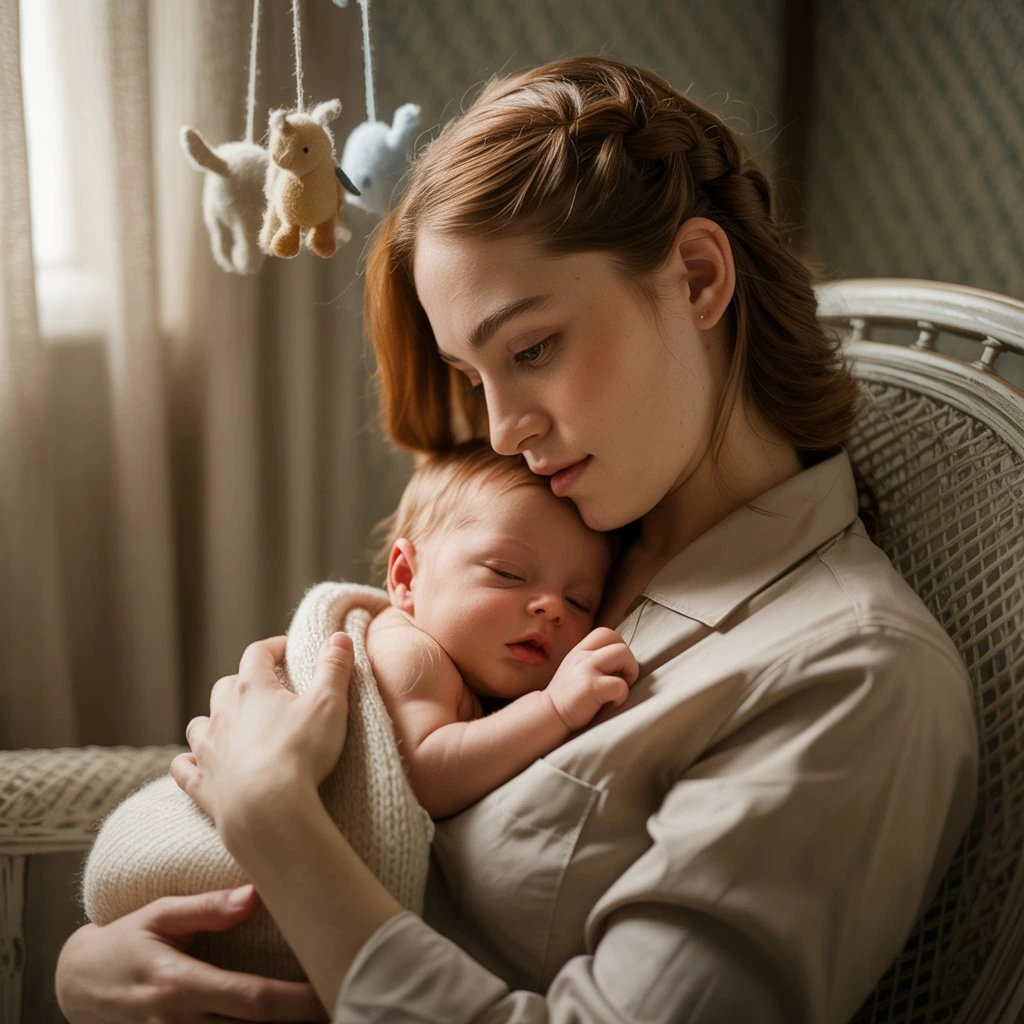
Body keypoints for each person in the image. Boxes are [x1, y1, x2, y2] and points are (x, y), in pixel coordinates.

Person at [56, 55, 979, 1023]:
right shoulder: (565, 539)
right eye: (471, 374)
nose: (502, 431)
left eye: (531, 348)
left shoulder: (850, 674)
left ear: (698, 277)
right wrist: (98, 962)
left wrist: (275, 823)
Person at [366, 439, 638, 819]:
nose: (553, 607)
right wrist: (553, 708)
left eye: (580, 602)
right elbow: (424, 778)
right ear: (407, 578)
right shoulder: (409, 653)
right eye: (507, 573)